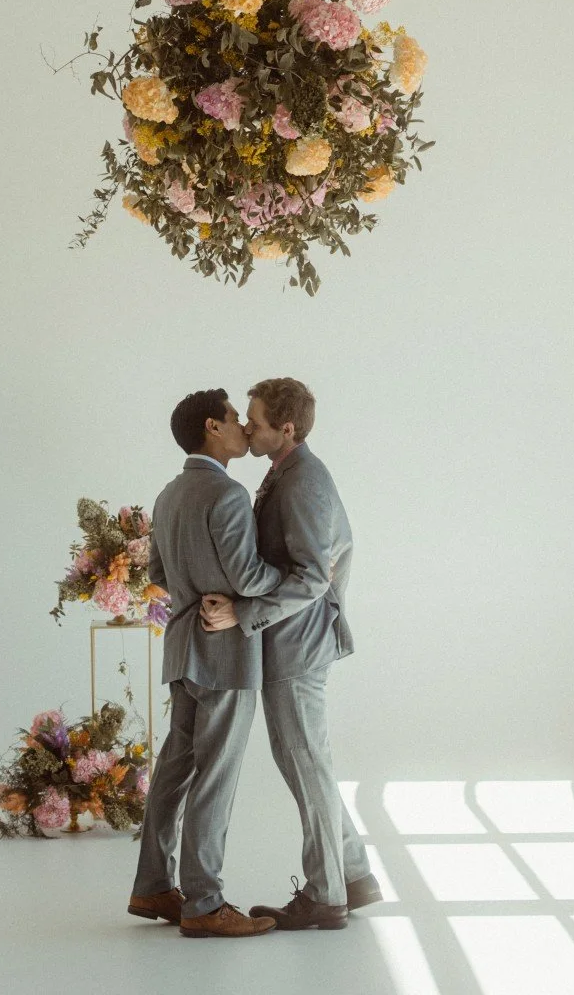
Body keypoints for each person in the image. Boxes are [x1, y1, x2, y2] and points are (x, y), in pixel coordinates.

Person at [201, 377, 383, 930]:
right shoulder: (285, 473)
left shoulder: (303, 480)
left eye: (253, 418)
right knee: (308, 762)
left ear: (286, 427)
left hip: (297, 645)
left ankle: (326, 896)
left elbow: (310, 578)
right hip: (294, 642)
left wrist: (242, 613)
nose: (246, 425)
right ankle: (352, 874)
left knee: (305, 763)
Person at [127, 388, 279, 939]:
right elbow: (248, 579)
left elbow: (161, 574)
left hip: (181, 650)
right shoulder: (229, 494)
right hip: (225, 654)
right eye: (236, 418)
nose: (243, 426)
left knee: (175, 769)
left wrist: (199, 596)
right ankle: (205, 903)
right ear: (213, 428)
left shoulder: (168, 496)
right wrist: (298, 580)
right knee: (214, 776)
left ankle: (152, 886)